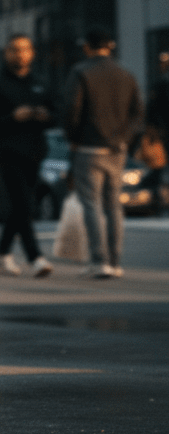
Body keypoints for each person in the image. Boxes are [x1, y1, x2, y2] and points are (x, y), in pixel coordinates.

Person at [62, 27, 143, 278]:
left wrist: (73, 139)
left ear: (87, 46)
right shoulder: (126, 74)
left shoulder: (81, 72)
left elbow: (71, 110)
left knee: (91, 205)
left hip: (89, 147)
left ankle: (99, 261)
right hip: (117, 149)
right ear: (110, 46)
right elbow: (137, 113)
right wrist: (125, 140)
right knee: (113, 206)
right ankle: (115, 262)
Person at [0, 34, 56, 277]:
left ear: (32, 53)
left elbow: (57, 114)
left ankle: (2, 252)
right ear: (7, 53)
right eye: (15, 49)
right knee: (24, 205)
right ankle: (35, 257)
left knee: (21, 206)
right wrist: (13, 117)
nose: (20, 54)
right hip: (8, 153)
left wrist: (44, 116)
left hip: (35, 152)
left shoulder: (41, 83)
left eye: (25, 49)